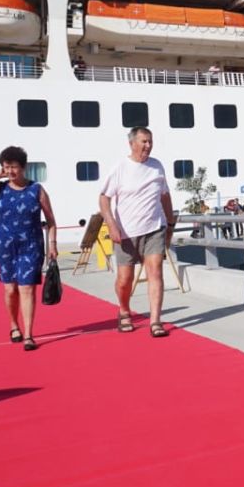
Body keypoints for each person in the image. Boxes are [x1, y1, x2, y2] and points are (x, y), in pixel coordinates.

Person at [0, 147, 59, 352]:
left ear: (24, 167)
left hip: (31, 245)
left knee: (27, 288)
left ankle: (28, 333)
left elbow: (51, 221)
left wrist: (52, 244)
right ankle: (13, 324)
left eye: (14, 167)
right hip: (5, 246)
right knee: (10, 290)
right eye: (6, 166)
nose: (10, 171)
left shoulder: (37, 190)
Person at [99, 126, 176, 338]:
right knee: (125, 279)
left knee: (155, 271)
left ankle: (155, 320)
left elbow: (165, 196)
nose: (148, 146)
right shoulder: (120, 168)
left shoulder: (157, 167)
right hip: (125, 232)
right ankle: (124, 310)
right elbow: (104, 198)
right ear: (131, 143)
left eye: (150, 141)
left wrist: (169, 224)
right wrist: (111, 224)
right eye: (144, 141)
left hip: (154, 228)